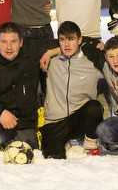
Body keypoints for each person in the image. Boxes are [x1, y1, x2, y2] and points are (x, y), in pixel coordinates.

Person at [0, 22, 57, 159]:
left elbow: (66, 42)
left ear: (20, 42)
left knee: (28, 150)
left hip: (21, 123)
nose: (8, 47)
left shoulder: (31, 50)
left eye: (13, 41)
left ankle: (3, 144)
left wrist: (49, 52)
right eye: (4, 42)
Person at [39, 21, 105, 159]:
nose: (67, 44)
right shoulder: (51, 61)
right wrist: (49, 52)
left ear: (79, 40)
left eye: (71, 39)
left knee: (94, 107)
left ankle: (90, 145)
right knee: (52, 159)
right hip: (55, 121)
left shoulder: (92, 62)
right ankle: (64, 141)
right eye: (62, 39)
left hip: (79, 119)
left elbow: (115, 68)